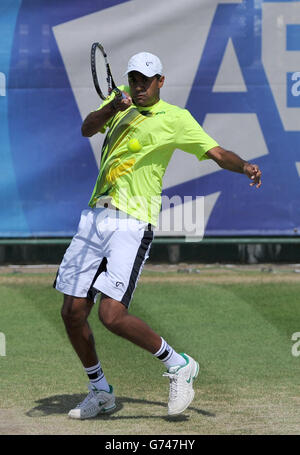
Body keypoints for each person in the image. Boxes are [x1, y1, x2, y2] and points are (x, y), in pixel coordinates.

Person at [54, 52, 262, 420]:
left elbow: (216, 153)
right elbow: (88, 128)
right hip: (94, 217)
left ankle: (178, 363)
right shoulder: (118, 100)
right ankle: (100, 391)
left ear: (160, 82)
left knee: (112, 316)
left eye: (146, 80)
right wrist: (111, 110)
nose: (138, 85)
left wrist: (244, 165)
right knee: (72, 312)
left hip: (133, 223)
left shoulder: (176, 119)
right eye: (134, 78)